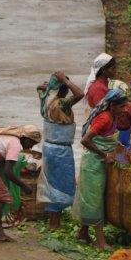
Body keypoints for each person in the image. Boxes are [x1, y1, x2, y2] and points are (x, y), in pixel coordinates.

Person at [74, 89, 126, 249]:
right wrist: (104, 154)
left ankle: (83, 232)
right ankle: (100, 241)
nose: (124, 110)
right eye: (121, 106)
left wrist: (123, 158)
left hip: (101, 163)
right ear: (111, 106)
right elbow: (85, 140)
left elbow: (110, 142)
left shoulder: (113, 117)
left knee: (94, 197)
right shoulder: (104, 118)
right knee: (94, 199)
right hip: (93, 164)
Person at [36, 71, 84, 229]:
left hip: (49, 148)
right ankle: (54, 223)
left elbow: (41, 90)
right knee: (60, 185)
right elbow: (80, 94)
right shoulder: (62, 103)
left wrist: (49, 87)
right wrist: (65, 80)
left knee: (52, 184)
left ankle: (53, 221)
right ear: (64, 88)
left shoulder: (49, 102)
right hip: (60, 151)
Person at [85, 53, 131, 159]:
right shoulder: (99, 89)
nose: (115, 70)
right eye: (113, 68)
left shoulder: (106, 86)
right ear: (103, 70)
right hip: (104, 143)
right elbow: (102, 122)